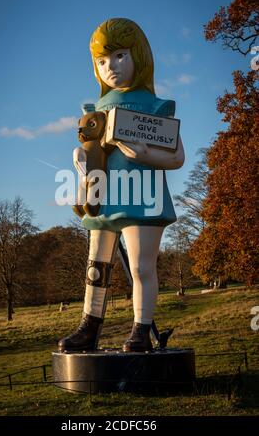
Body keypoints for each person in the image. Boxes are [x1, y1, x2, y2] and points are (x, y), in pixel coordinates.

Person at [58, 18, 185, 353]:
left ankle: (141, 330)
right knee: (96, 265)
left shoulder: (156, 106)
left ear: (137, 56)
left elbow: (177, 158)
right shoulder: (96, 108)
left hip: (143, 195)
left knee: (142, 266)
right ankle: (89, 327)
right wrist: (83, 167)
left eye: (118, 56)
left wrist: (146, 152)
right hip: (104, 195)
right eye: (101, 61)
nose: (110, 66)